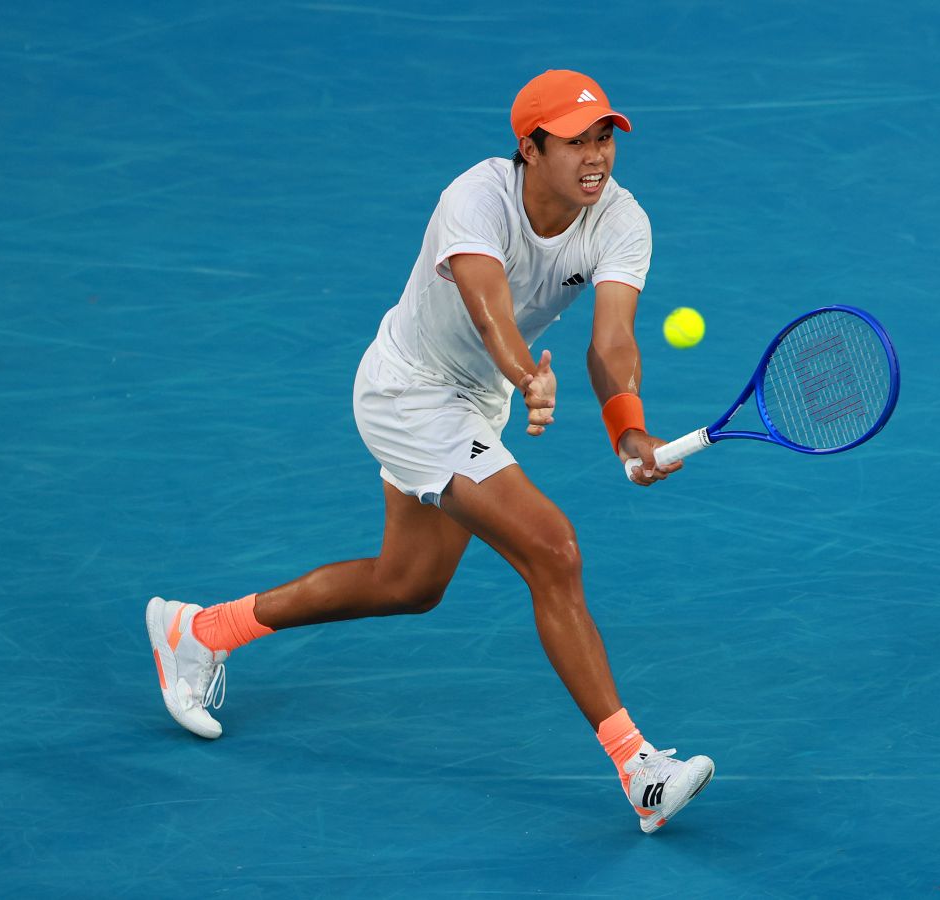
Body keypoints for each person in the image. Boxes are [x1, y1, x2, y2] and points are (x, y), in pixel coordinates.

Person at [146, 69, 714, 833]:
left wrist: (629, 431)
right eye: (576, 141)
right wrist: (528, 377)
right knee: (552, 548)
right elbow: (489, 313)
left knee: (409, 583)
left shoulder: (621, 218)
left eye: (605, 137)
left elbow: (611, 340)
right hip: (410, 392)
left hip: (477, 400)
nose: (597, 156)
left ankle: (198, 632)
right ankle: (638, 767)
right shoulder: (474, 200)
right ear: (530, 148)